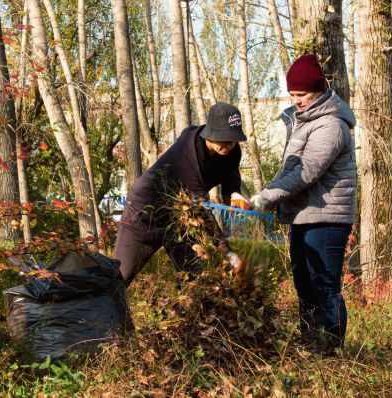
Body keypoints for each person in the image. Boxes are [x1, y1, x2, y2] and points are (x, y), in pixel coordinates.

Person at [250, 54, 356, 353]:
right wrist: (264, 193)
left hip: (327, 217)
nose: (296, 100)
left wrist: (266, 198)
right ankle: (310, 345)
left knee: (324, 286)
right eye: (292, 94)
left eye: (302, 94)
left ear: (319, 90)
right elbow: (289, 171)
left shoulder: (331, 125)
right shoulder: (303, 121)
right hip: (303, 216)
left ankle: (329, 350)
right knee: (304, 287)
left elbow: (306, 171)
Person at [113, 102, 249, 287]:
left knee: (193, 280)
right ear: (210, 133)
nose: (228, 145)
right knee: (120, 277)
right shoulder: (188, 155)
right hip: (145, 212)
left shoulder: (231, 152)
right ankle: (92, 312)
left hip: (179, 216)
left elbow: (230, 180)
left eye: (233, 139)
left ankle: (192, 314)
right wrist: (229, 254)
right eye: (223, 139)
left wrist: (234, 195)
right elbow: (202, 213)